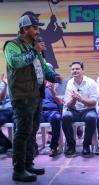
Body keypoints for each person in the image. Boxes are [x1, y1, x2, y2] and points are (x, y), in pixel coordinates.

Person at [3, 14, 62, 182]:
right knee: (22, 133)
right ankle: (18, 170)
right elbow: (16, 62)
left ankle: (28, 165)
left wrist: (54, 76)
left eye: (38, 28)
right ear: (24, 29)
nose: (38, 31)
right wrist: (34, 51)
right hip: (22, 96)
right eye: (35, 28)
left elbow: (42, 68)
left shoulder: (36, 47)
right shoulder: (11, 46)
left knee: (31, 132)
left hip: (37, 95)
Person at [62, 61, 98, 156]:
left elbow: (94, 102)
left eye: (77, 69)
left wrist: (81, 99)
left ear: (83, 71)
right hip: (74, 111)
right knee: (65, 116)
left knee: (91, 118)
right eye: (73, 69)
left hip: (88, 110)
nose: (75, 71)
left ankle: (86, 145)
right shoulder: (70, 83)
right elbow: (69, 105)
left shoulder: (91, 82)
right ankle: (71, 146)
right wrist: (74, 99)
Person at [40, 63, 63, 157]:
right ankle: (33, 148)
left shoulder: (58, 84)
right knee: (27, 119)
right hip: (38, 111)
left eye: (48, 70)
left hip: (52, 111)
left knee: (56, 118)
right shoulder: (36, 83)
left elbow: (61, 103)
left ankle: (53, 147)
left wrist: (53, 91)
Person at [0, 73, 13, 154]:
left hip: (13, 109)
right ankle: (6, 143)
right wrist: (5, 85)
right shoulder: (2, 84)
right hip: (5, 110)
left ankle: (6, 144)